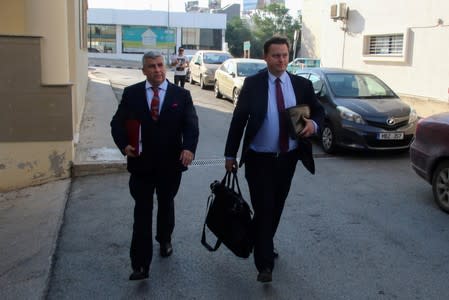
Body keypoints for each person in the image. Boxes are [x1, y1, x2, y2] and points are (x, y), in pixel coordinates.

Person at [224, 36, 325, 283]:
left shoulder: (301, 85)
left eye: (285, 55)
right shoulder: (253, 84)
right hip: (259, 159)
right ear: (266, 57)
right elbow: (239, 120)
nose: (281, 60)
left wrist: (313, 124)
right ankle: (264, 265)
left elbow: (319, 111)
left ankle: (260, 240)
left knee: (276, 207)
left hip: (288, 158)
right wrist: (230, 154)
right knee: (265, 207)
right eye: (276, 55)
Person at [111, 51, 199, 281]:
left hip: (170, 165)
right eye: (151, 66)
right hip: (141, 165)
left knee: (166, 204)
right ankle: (140, 265)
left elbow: (191, 125)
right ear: (143, 70)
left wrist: (188, 148)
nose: (157, 70)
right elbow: (117, 123)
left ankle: (164, 238)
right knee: (142, 212)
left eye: (160, 65)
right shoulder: (132, 94)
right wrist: (123, 145)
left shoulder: (182, 95)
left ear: (166, 67)